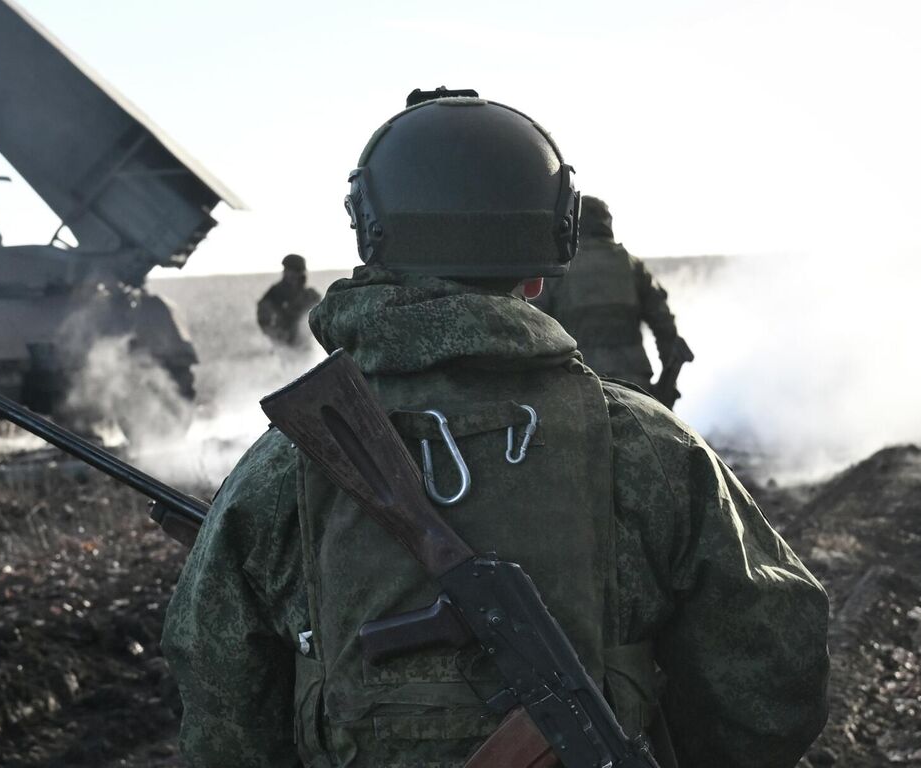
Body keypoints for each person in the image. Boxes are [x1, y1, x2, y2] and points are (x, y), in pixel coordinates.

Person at [164, 89, 828, 767]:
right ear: (544, 263)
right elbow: (770, 680)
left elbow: (220, 710)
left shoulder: (285, 467)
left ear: (372, 236)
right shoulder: (650, 449)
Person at [533, 195, 694, 403]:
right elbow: (664, 324)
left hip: (577, 385)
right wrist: (668, 376)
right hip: (634, 387)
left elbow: (538, 329)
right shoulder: (632, 266)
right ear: (606, 223)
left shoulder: (558, 270)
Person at [256, 253, 322, 348]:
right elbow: (263, 314)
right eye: (289, 270)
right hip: (284, 347)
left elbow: (321, 318)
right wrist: (276, 334)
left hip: (305, 346)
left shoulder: (310, 295)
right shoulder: (275, 292)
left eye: (296, 271)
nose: (291, 275)